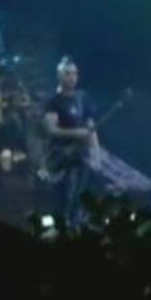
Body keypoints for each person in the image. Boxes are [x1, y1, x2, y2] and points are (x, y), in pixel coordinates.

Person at [42, 56, 101, 231]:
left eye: (75, 73)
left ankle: (76, 227)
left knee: (80, 194)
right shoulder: (53, 101)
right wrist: (76, 133)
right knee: (64, 195)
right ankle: (61, 227)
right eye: (68, 74)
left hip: (82, 157)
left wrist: (96, 153)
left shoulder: (83, 98)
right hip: (61, 157)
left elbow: (91, 127)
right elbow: (51, 130)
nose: (72, 77)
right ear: (59, 76)